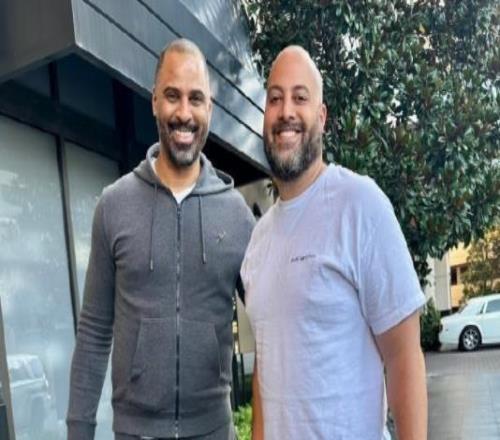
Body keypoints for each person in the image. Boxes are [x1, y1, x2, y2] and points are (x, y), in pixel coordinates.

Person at [67, 39, 254, 440]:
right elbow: (95, 332)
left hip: (213, 429)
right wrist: (78, 431)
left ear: (209, 109)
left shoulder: (238, 215)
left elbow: (273, 327)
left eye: (195, 98)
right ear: (154, 101)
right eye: (172, 96)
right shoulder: (113, 206)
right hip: (135, 432)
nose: (183, 113)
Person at [241, 46, 428, 440]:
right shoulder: (258, 240)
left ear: (321, 117)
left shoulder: (360, 205)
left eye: (300, 97)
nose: (286, 111)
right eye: (275, 98)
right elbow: (266, 369)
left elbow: (404, 357)